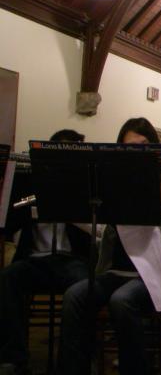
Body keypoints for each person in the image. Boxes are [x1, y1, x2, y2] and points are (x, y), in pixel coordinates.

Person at [58, 118, 161, 375]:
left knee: (121, 301)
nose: (138, 153)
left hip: (149, 272)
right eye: (131, 148)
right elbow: (103, 229)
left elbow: (159, 223)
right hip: (116, 271)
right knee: (74, 296)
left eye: (144, 146)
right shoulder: (111, 180)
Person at [0, 130, 90, 375]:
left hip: (72, 260)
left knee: (83, 286)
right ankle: (14, 358)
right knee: (8, 278)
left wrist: (70, 205)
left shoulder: (85, 187)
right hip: (36, 260)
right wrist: (28, 204)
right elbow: (9, 226)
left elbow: (97, 230)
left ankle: (72, 364)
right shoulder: (30, 184)